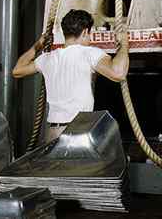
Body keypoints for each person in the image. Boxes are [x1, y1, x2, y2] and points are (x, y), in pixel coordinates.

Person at [12, 9, 129, 142]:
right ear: (85, 32)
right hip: (77, 132)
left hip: (53, 133)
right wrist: (124, 44)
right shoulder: (89, 53)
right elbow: (118, 73)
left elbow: (17, 70)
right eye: (89, 34)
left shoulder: (48, 58)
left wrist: (37, 46)